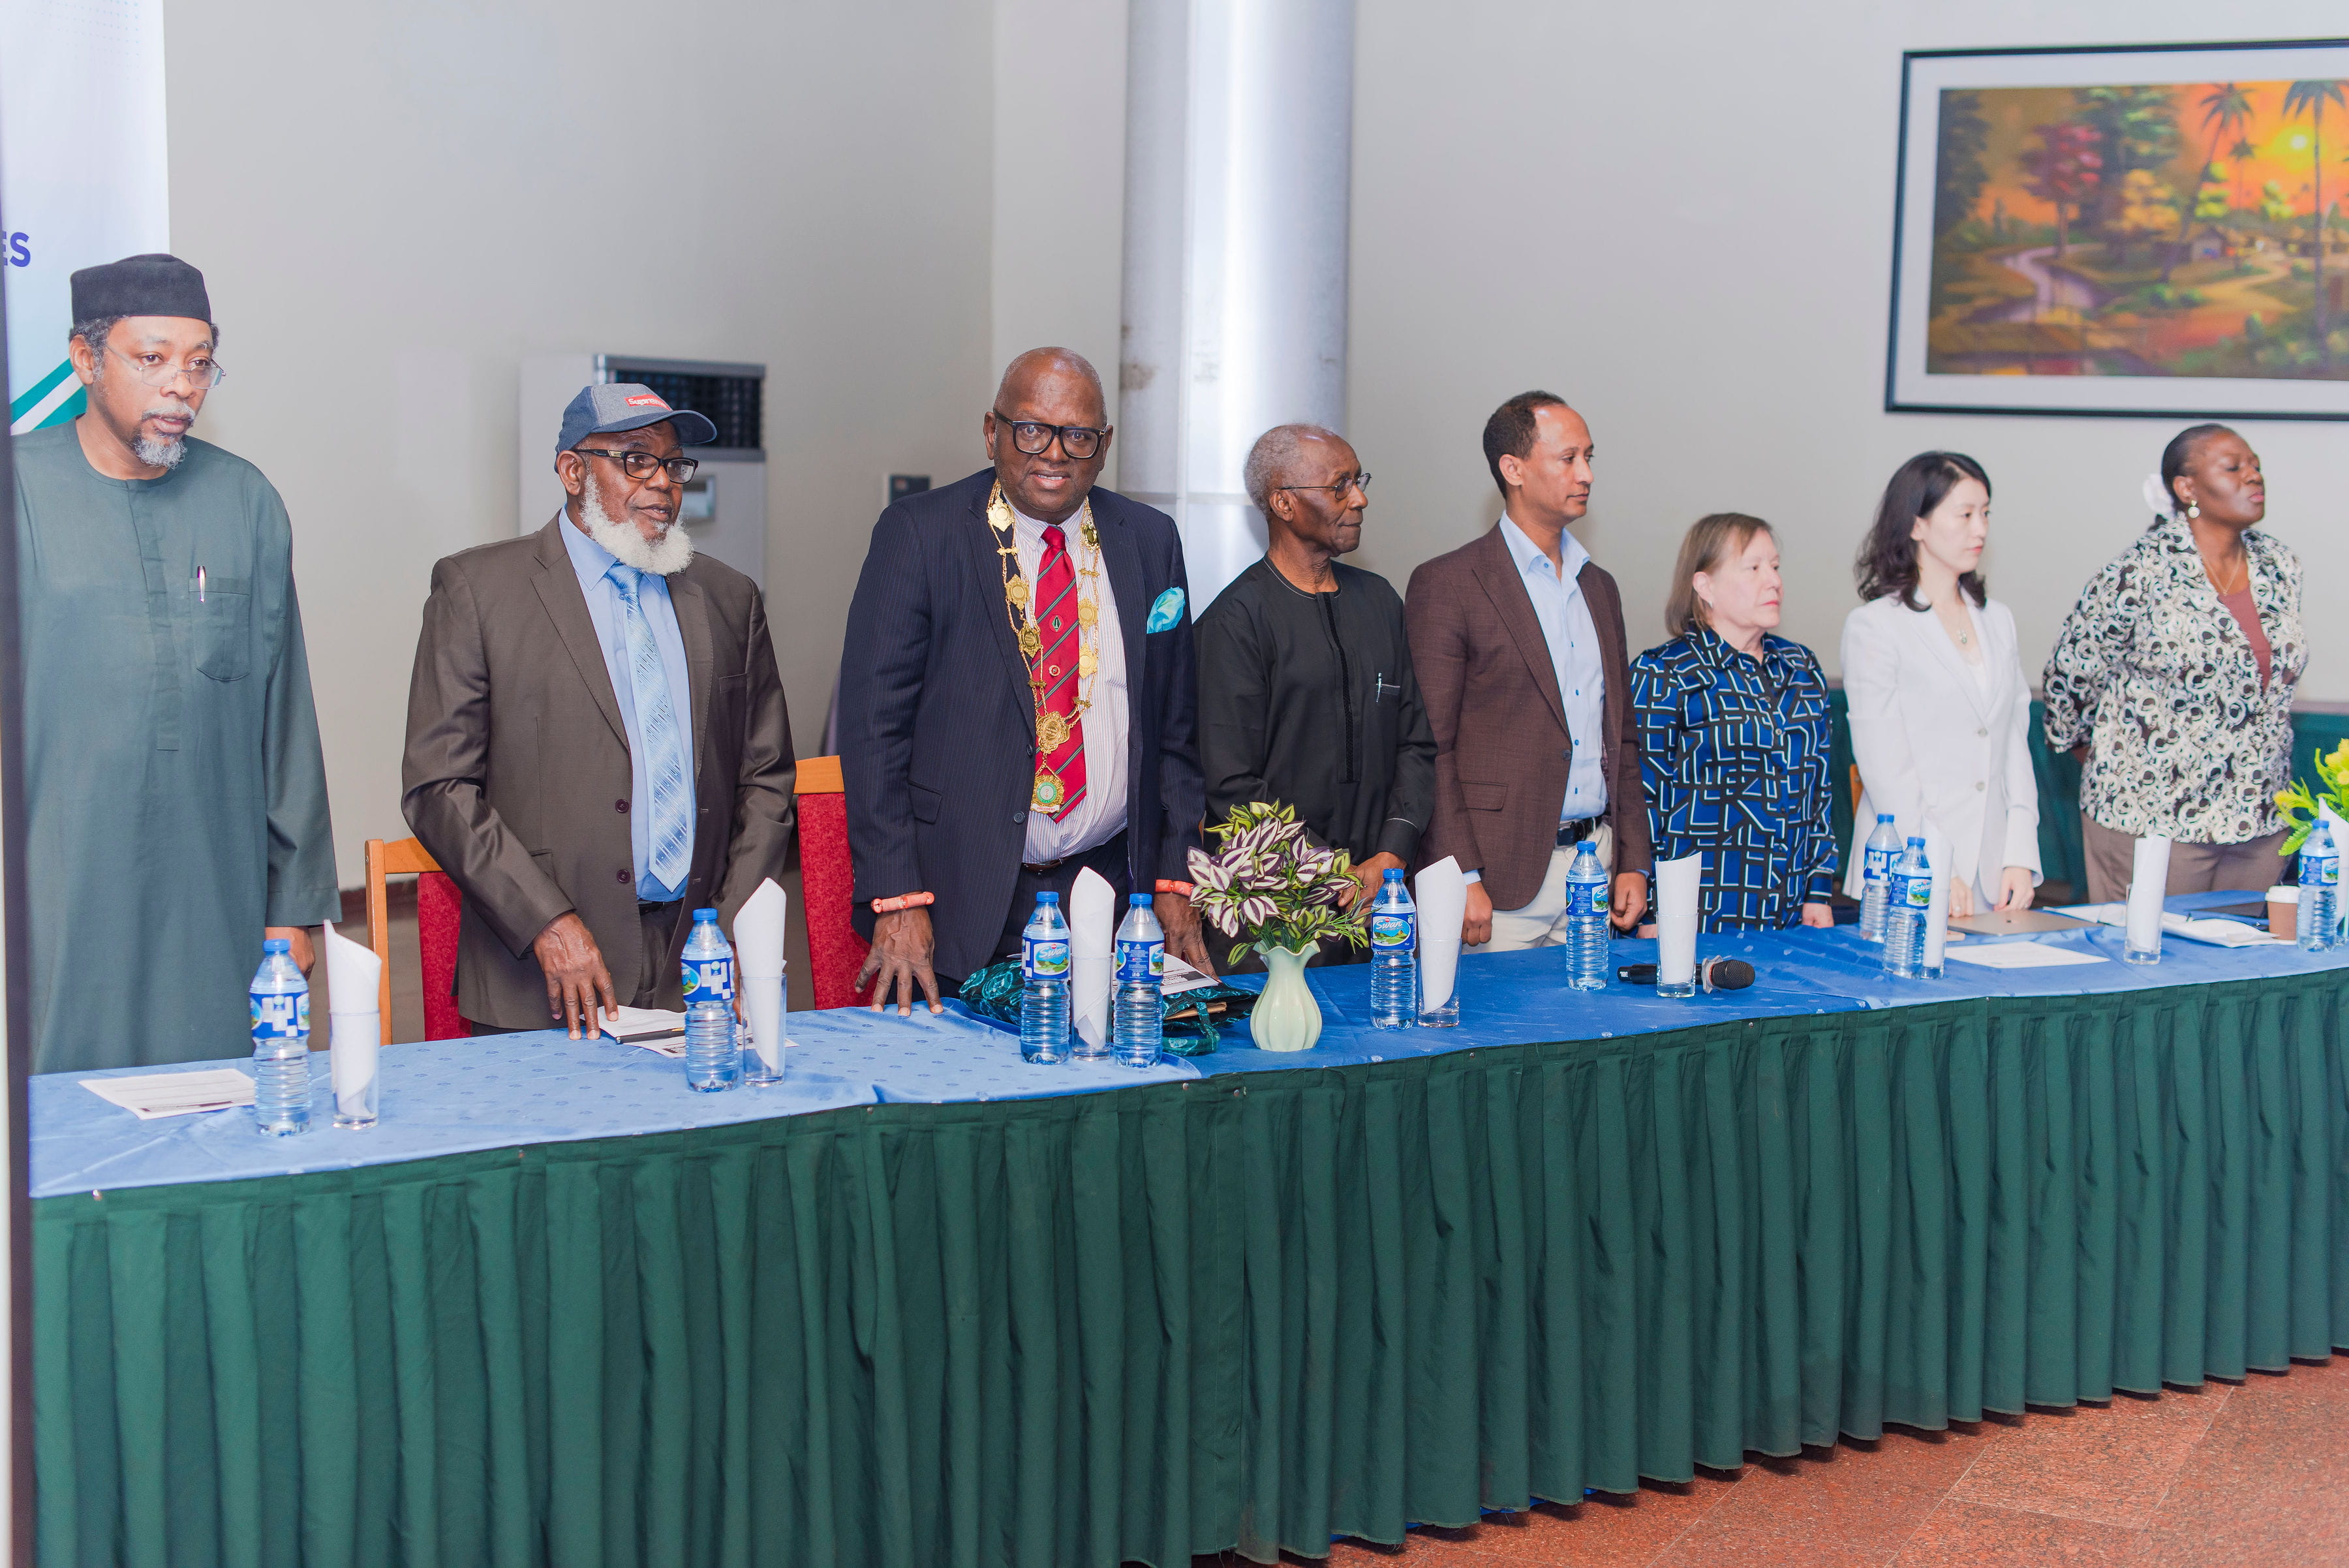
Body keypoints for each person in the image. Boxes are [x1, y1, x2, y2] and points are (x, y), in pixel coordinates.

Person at [12, 253, 339, 1073]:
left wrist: (293, 908)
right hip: (52, 898)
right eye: (152, 359)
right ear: (86, 360)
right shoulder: (17, 492)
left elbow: (286, 721)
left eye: (199, 363)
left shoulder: (246, 501)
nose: (181, 387)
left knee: (220, 1103)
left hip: (214, 899)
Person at [403, 383, 797, 1036]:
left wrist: (727, 928)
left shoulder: (729, 597)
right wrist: (547, 922)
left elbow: (767, 777)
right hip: (545, 975)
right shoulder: (478, 591)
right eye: (636, 460)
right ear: (573, 471)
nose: (663, 483)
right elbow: (438, 787)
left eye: (673, 464)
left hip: (697, 962)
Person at [838, 347, 1210, 1009]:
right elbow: (874, 733)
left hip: (1115, 891)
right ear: (993, 431)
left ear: (1104, 446)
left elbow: (1176, 730)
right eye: (1032, 430)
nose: (1055, 453)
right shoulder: (920, 534)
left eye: (1079, 436)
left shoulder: (1151, 540)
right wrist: (897, 895)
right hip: (961, 896)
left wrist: (1175, 879)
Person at [1404, 392, 1651, 949]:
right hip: (1496, 877)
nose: (1586, 474)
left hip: (1595, 867)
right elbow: (1430, 747)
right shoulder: (1449, 583)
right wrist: (1460, 872)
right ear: (1513, 469)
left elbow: (1621, 737)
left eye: (1589, 457)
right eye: (1568, 458)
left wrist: (1634, 858)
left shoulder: (1599, 587)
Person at [1195, 424, 1435, 949]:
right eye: (1339, 485)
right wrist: (1329, 870)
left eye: (1359, 481)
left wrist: (1391, 852)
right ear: (1283, 502)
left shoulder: (1380, 602)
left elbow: (1416, 743)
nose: (1360, 499)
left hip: (1381, 900)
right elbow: (1232, 786)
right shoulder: (1235, 622)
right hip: (1273, 914)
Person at [2042, 425, 2304, 901]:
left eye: (2256, 466)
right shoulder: (2137, 572)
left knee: (2244, 952)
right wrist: (2109, 758)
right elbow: (2070, 678)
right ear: (2186, 488)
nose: (2253, 476)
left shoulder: (2280, 565)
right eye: (2233, 468)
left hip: (2259, 817)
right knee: (2150, 949)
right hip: (2154, 816)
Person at [1841, 453, 2040, 916]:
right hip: (1907, 863)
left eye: (1985, 513)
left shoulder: (1998, 620)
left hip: (1991, 870)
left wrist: (2019, 855)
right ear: (1917, 525)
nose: (1980, 529)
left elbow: (2014, 744)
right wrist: (1929, 862)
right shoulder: (1875, 626)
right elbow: (1884, 765)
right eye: (1965, 515)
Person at [1631, 514, 1835, 932]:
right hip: (1698, 916)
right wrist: (1651, 909)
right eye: (1753, 568)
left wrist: (1819, 890)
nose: (1773, 581)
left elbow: (1820, 791)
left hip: (1791, 915)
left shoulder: (1800, 668)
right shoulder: (1665, 673)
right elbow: (1642, 803)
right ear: (1705, 586)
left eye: (1775, 566)